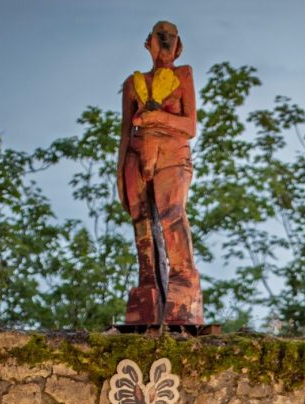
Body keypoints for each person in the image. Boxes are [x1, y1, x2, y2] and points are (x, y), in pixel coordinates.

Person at [118, 20, 203, 325]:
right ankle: (147, 291)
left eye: (171, 37)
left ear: (178, 45)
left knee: (173, 215)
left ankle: (183, 292)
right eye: (160, 36)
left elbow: (189, 126)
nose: (165, 41)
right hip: (137, 155)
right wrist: (119, 176)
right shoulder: (133, 83)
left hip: (172, 154)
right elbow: (125, 132)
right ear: (149, 43)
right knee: (141, 223)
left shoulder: (183, 75)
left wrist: (156, 117)